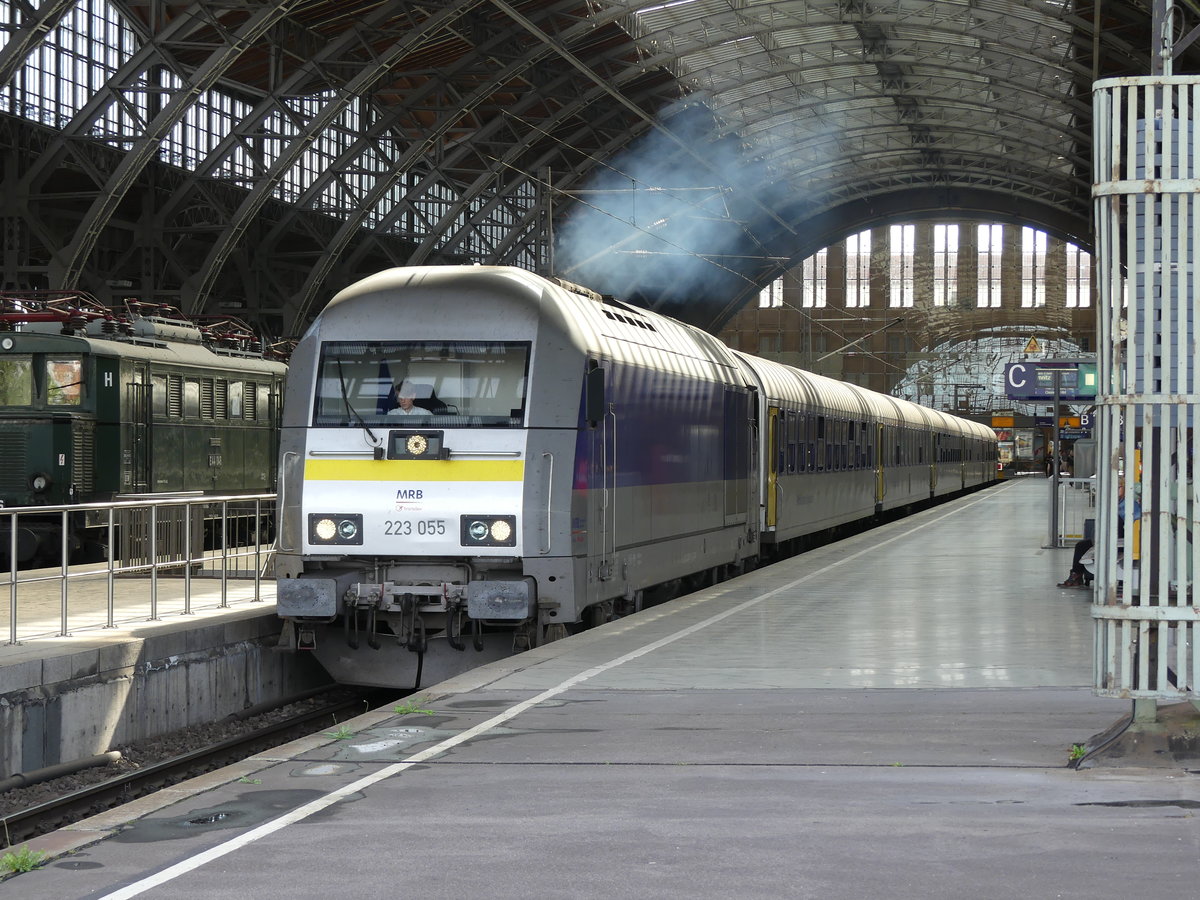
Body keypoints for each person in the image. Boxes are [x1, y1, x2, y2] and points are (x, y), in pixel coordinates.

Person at [1059, 482, 1138, 587]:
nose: (1116, 491)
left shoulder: (1129, 506)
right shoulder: (1115, 505)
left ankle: (1076, 575)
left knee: (1085, 546)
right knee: (1081, 545)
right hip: (1107, 540)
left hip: (1120, 543)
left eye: (1119, 487)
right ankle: (1076, 575)